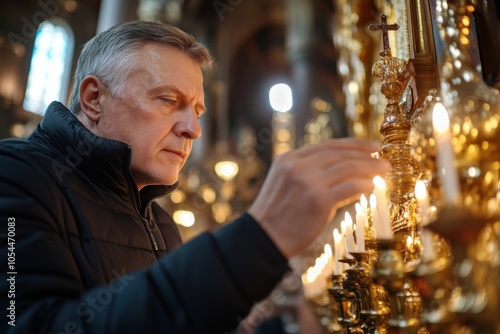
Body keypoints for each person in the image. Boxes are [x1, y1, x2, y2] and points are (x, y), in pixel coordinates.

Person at [0, 21, 390, 334]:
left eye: (198, 111)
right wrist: (257, 239)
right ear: (93, 99)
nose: (193, 129)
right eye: (170, 101)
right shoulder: (15, 175)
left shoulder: (161, 224)